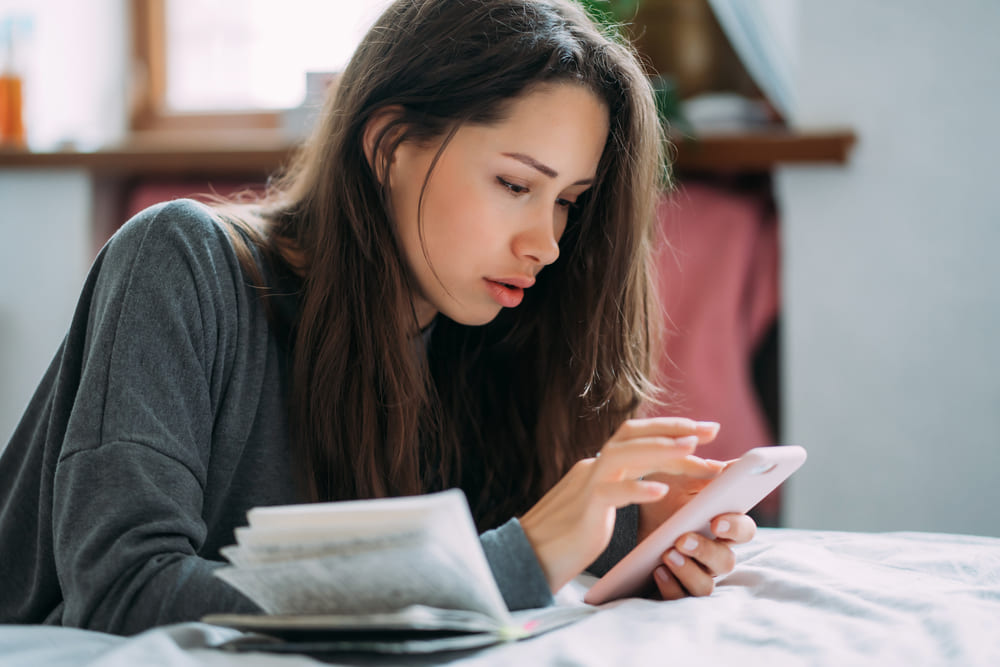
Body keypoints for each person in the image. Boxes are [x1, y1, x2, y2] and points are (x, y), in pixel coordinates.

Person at [0, 0, 755, 635]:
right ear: (389, 144)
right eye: (515, 183)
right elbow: (124, 591)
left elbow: (479, 531)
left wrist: (638, 538)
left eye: (567, 202)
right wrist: (516, 559)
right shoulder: (180, 260)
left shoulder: (476, 334)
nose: (548, 243)